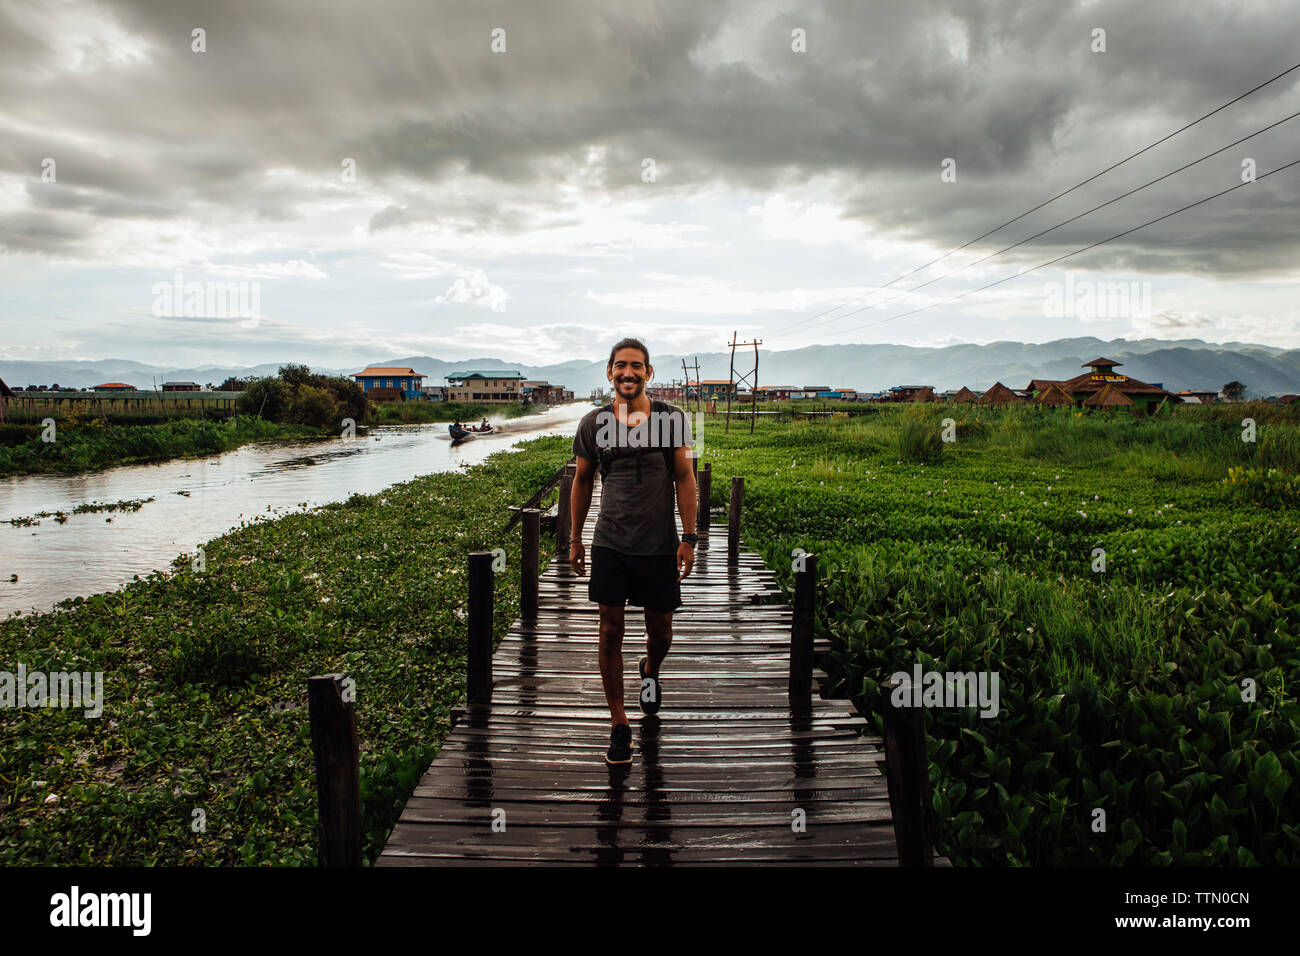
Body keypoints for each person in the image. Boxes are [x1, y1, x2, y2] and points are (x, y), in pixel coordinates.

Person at [570, 337, 697, 765]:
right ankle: (619, 722)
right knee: (609, 629)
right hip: (610, 542)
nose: (628, 373)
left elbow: (684, 476)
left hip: (659, 544)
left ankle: (650, 670)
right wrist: (575, 539)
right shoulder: (593, 424)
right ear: (609, 372)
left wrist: (689, 537)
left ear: (649, 373)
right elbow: (582, 482)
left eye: (636, 366)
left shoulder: (672, 419)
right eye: (620, 366)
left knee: (661, 632)